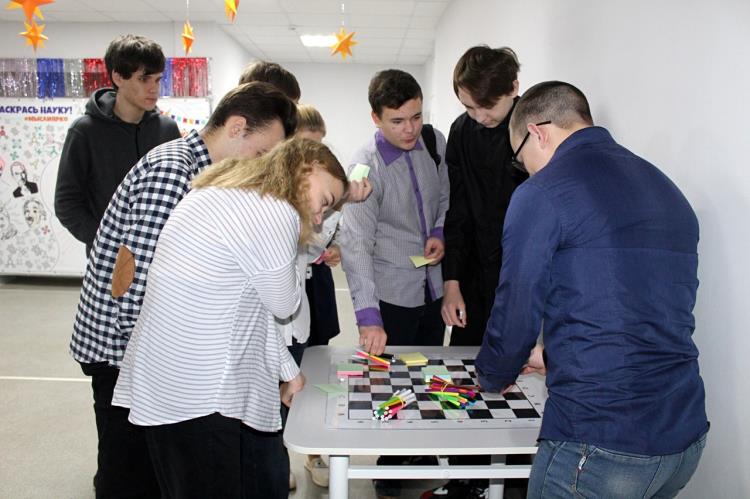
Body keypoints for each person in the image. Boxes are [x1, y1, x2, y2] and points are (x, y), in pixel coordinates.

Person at [475, 81, 709, 498]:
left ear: (538, 132)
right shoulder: (665, 188)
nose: (526, 171)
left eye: (521, 159)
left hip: (600, 442)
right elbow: (637, 309)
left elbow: (516, 310)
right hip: (683, 439)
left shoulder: (542, 193)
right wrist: (552, 357)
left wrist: (493, 373)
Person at [68, 81, 297, 499]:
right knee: (129, 476)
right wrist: (159, 367)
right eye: (262, 152)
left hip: (143, 356)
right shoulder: (176, 170)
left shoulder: (205, 173)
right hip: (121, 351)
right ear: (237, 127)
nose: (264, 165)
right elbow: (136, 278)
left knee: (157, 472)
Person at [112, 138, 349, 498]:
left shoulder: (227, 191)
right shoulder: (276, 210)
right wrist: (297, 252)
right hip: (200, 392)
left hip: (165, 382)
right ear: (307, 166)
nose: (318, 219)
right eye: (325, 202)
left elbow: (251, 311)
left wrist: (289, 372)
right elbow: (283, 305)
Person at [422, 45, 528, 499]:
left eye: (489, 106)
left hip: (523, 278)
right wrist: (451, 283)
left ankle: (511, 484)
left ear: (514, 89)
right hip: (474, 276)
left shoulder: (533, 131)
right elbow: (459, 211)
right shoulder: (463, 131)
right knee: (463, 379)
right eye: (469, 106)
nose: (480, 116)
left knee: (518, 385)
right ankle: (464, 478)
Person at [339, 69, 449, 499]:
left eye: (416, 117)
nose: (410, 129)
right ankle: (389, 463)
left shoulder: (434, 142)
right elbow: (355, 245)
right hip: (390, 294)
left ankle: (418, 452)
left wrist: (438, 231)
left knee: (427, 373)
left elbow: (445, 197)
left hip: (430, 286)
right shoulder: (363, 167)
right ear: (376, 118)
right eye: (397, 121)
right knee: (391, 384)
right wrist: (368, 317)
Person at [54, 34, 180, 256]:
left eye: (158, 79)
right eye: (144, 79)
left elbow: (180, 192)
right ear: (118, 77)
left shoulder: (167, 130)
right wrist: (106, 240)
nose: (154, 88)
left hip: (163, 256)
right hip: (109, 260)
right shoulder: (85, 131)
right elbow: (67, 203)